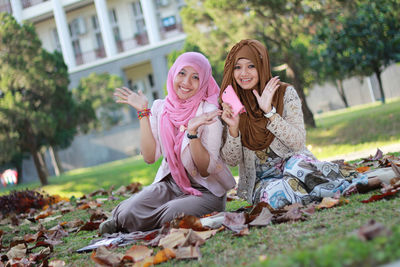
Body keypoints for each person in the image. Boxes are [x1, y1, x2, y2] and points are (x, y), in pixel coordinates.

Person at [219, 39, 372, 209]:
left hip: (295, 166)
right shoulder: (232, 105)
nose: (243, 73)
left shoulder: (285, 93)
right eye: (237, 67)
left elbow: (297, 142)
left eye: (251, 66)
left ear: (262, 65)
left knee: (300, 169)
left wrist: (270, 112)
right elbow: (231, 160)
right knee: (273, 197)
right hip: (263, 181)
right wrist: (233, 128)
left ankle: (337, 188)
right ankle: (326, 191)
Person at [100, 52, 236, 234]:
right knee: (126, 211)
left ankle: (139, 223)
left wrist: (192, 133)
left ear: (204, 81)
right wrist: (143, 112)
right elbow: (150, 157)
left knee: (172, 215)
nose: (186, 82)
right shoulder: (160, 107)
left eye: (195, 77)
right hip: (172, 184)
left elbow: (205, 170)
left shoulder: (210, 112)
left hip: (206, 190)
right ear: (173, 73)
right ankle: (127, 220)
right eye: (182, 73)